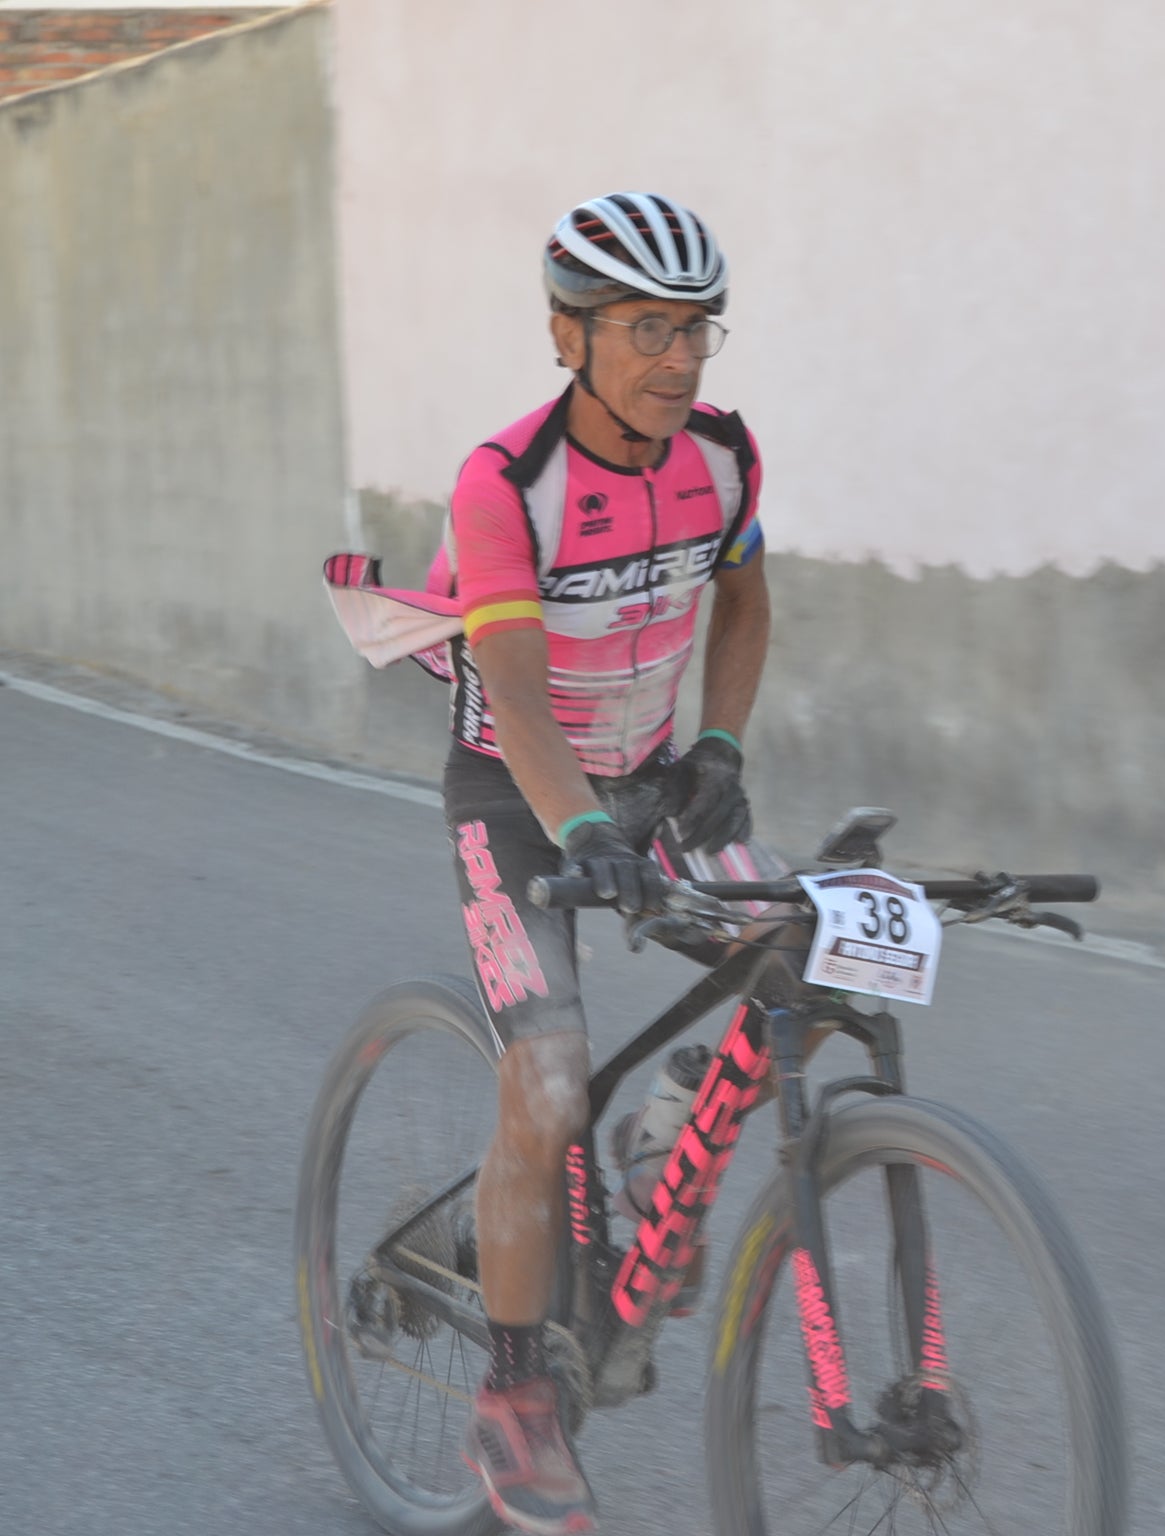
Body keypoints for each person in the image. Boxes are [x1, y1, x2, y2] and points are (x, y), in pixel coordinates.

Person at [441, 191, 772, 1536]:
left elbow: (745, 598)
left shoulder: (726, 457)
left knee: (790, 947)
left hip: (651, 780)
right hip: (519, 801)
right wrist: (583, 832)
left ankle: (651, 1150)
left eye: (697, 328)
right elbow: (514, 690)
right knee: (549, 1073)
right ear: (568, 334)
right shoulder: (505, 482)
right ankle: (515, 1393)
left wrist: (723, 746)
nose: (680, 360)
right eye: (648, 329)